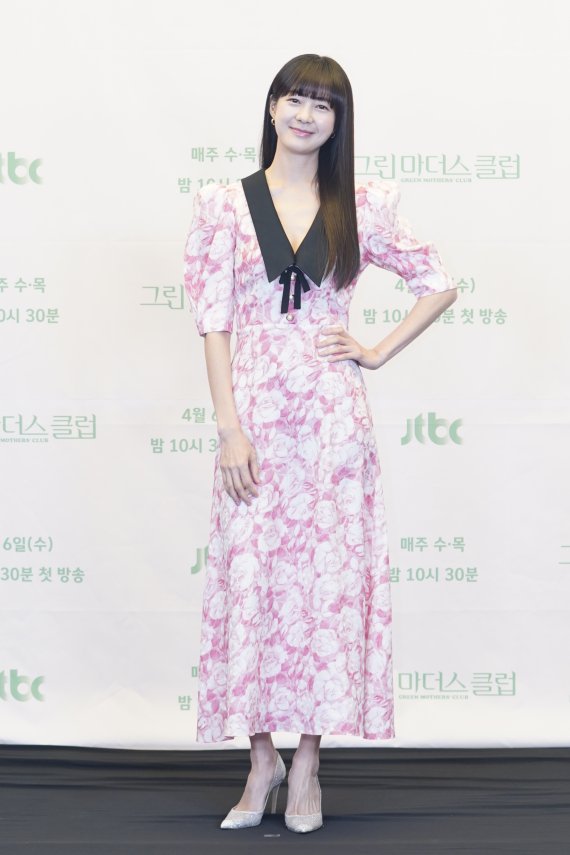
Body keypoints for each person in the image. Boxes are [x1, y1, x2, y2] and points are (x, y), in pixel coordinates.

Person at [183, 53, 458, 834]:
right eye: (295, 99)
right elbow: (213, 322)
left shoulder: (362, 204)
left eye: (323, 105)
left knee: (325, 587)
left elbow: (438, 281)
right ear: (272, 107)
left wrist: (375, 350)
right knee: (252, 577)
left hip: (334, 424)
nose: (306, 115)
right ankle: (259, 758)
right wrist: (228, 426)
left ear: (339, 122)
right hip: (255, 417)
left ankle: (306, 761)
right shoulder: (223, 206)